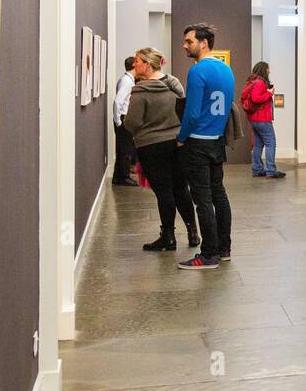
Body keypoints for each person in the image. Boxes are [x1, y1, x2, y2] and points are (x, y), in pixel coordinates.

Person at [123, 48, 200, 252]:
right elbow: (183, 106)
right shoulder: (173, 84)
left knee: (164, 192)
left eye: (138, 61)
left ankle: (168, 237)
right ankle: (193, 233)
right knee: (181, 188)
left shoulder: (139, 92)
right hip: (176, 143)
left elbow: (132, 123)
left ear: (148, 64)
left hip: (151, 147)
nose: (135, 64)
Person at [176, 22, 235, 269]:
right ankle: (223, 249)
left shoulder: (198, 71)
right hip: (217, 140)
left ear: (204, 42)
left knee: (203, 200)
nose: (185, 46)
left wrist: (181, 137)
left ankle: (208, 254)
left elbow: (191, 113)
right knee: (219, 194)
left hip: (198, 142)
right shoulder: (226, 70)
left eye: (189, 41)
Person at [242, 61, 286, 178]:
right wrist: (269, 94)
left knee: (258, 144)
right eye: (267, 69)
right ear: (263, 70)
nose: (269, 71)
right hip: (262, 119)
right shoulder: (260, 82)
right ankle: (271, 170)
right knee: (271, 143)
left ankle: (257, 169)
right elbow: (256, 98)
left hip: (254, 119)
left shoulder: (252, 81)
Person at [112, 56, 138, 186]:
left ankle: (119, 176)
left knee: (124, 148)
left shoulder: (128, 80)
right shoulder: (127, 81)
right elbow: (118, 101)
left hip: (123, 117)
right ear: (134, 65)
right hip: (123, 118)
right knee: (125, 149)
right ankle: (124, 177)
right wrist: (118, 121)